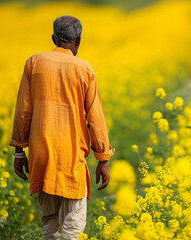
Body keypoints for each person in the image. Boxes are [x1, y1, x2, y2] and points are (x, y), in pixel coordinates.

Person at [9, 15, 114, 239]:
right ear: (78, 42)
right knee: (72, 228)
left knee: (50, 226)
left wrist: (19, 151)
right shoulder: (85, 69)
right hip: (72, 158)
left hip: (42, 156)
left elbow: (23, 111)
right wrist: (102, 158)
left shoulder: (33, 63)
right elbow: (95, 118)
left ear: (53, 38)